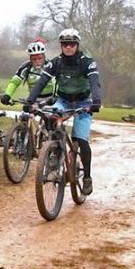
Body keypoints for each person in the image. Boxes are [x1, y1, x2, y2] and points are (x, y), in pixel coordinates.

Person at [23, 28, 101, 196]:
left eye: (71, 43)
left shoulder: (86, 62)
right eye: (65, 44)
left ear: (77, 44)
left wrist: (96, 102)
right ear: (61, 46)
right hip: (63, 100)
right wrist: (30, 101)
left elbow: (95, 82)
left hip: (83, 101)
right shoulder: (55, 62)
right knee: (51, 118)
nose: (68, 47)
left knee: (81, 139)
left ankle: (86, 177)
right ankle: (54, 152)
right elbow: (42, 81)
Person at [0, 41, 55, 106]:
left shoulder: (51, 65)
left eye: (40, 58)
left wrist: (55, 97)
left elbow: (58, 81)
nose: (37, 61)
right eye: (34, 59)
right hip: (32, 99)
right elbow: (15, 82)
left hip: (50, 99)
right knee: (25, 115)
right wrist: (7, 94)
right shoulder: (26, 67)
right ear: (30, 59)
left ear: (44, 56)